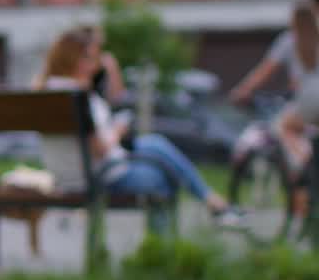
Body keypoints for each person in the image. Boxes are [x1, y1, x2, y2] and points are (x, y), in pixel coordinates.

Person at [35, 29, 242, 225]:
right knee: (163, 178)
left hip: (67, 175)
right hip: (97, 177)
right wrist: (117, 130)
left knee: (155, 144)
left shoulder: (49, 92)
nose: (97, 62)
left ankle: (212, 200)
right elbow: (100, 149)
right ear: (76, 60)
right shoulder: (75, 96)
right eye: (92, 57)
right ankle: (161, 247)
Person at [230, 0, 319, 174]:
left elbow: (264, 72)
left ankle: (304, 158)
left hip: (309, 99)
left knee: (283, 127)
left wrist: (242, 91)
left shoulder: (289, 40)